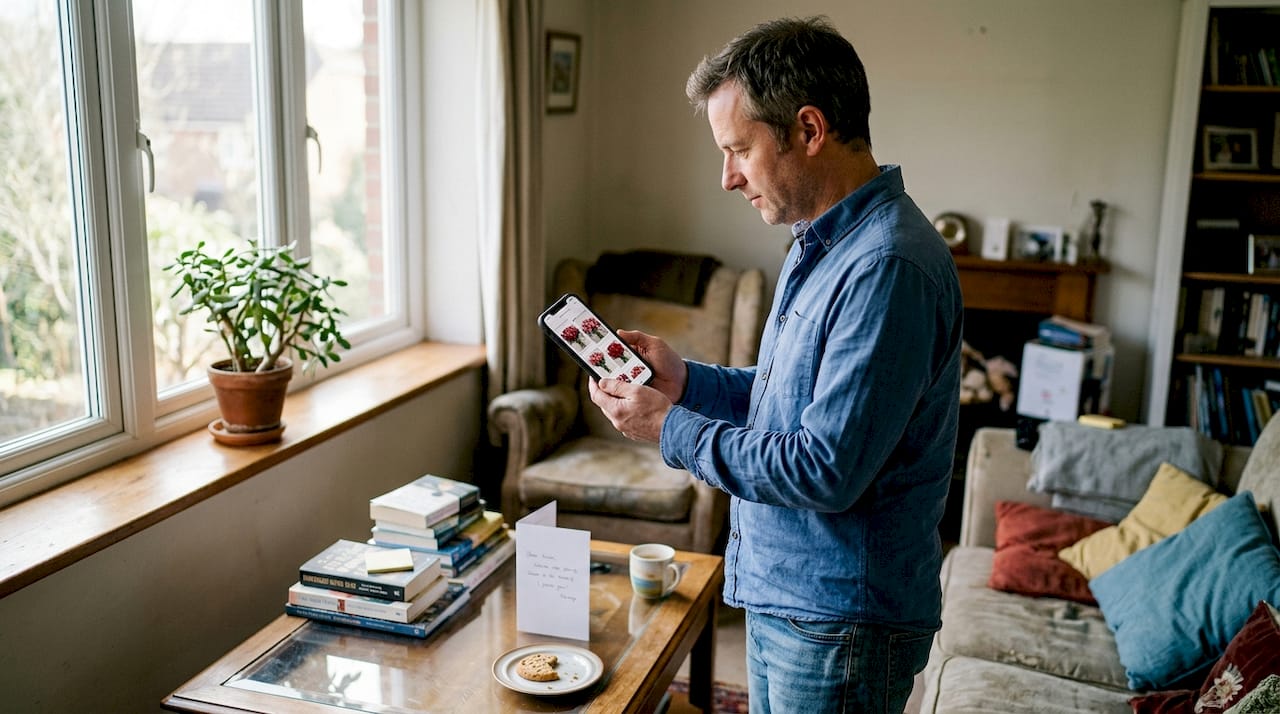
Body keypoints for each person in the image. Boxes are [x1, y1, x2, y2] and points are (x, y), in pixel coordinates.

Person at [588, 16, 963, 713]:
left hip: (836, 619)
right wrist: (688, 382)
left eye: (738, 150)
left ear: (809, 130)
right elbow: (786, 399)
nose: (726, 178)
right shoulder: (815, 242)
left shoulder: (887, 267)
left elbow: (824, 466)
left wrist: (671, 428)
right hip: (788, 594)